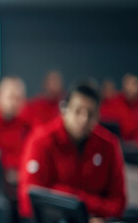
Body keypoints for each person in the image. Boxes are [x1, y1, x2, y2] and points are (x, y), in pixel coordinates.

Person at [18, 80, 126, 220]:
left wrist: (67, 196)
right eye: (78, 111)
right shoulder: (41, 141)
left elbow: (118, 204)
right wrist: (83, 205)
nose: (83, 119)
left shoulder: (109, 145)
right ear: (64, 109)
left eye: (90, 113)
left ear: (98, 116)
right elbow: (29, 202)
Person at [105, 74, 138, 149]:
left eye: (134, 84)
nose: (130, 87)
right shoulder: (115, 102)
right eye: (127, 84)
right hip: (117, 148)